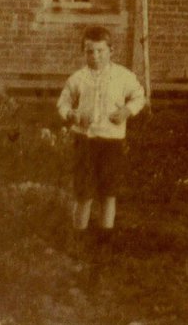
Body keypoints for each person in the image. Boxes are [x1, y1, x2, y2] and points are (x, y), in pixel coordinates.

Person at [57, 26, 146, 249]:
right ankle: (79, 235)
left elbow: (139, 96)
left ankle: (106, 237)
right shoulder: (78, 78)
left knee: (109, 189)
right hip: (85, 140)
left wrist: (127, 111)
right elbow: (63, 102)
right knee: (83, 191)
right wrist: (72, 114)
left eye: (100, 51)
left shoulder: (123, 76)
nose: (94, 57)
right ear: (83, 52)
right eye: (89, 51)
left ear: (111, 51)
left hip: (112, 141)